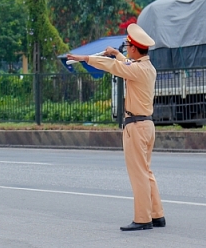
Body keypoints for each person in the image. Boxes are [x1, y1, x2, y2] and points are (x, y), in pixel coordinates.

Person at [66, 24, 165, 231]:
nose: (126, 48)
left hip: (136, 126)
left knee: (138, 174)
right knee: (146, 172)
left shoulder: (136, 69)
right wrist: (116, 54)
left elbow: (115, 67)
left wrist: (85, 58)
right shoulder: (147, 68)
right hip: (147, 125)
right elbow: (127, 64)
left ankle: (142, 219)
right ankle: (157, 215)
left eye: (128, 45)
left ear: (136, 49)